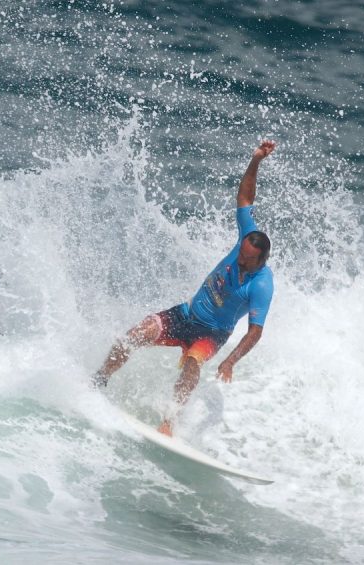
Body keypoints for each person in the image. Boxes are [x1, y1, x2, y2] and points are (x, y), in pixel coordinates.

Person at [93, 140, 276, 436]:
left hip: (212, 333)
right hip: (186, 314)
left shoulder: (262, 285)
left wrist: (230, 361)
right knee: (135, 334)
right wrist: (256, 160)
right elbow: (244, 199)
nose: (240, 260)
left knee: (193, 362)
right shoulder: (247, 237)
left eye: (246, 259)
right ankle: (99, 380)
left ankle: (169, 421)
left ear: (261, 259)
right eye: (240, 254)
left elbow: (255, 331)